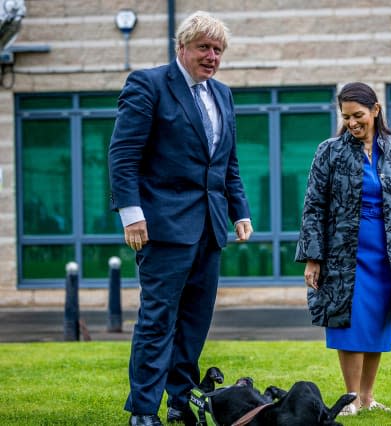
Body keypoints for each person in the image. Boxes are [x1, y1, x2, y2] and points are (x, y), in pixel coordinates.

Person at [109, 11, 253, 426]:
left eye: (218, 50)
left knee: (194, 322)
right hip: (162, 227)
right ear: (182, 48)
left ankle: (179, 400)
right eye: (204, 48)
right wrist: (131, 215)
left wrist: (238, 210)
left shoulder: (222, 94)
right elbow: (123, 155)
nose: (212, 56)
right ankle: (143, 410)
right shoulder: (149, 84)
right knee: (158, 320)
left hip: (210, 228)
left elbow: (228, 163)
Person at [296, 82, 391, 415]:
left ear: (376, 110)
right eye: (346, 117)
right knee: (349, 321)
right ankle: (351, 398)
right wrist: (313, 257)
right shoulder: (328, 150)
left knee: (377, 321)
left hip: (388, 249)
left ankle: (368, 397)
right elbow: (314, 204)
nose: (352, 123)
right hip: (344, 251)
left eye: (358, 115)